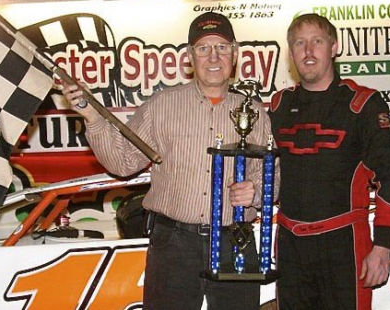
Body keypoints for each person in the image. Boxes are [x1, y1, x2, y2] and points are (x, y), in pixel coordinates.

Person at [62, 12, 272, 310]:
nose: (213, 57)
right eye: (203, 48)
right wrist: (92, 116)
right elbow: (122, 163)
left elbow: (271, 178)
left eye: (222, 47)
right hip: (174, 244)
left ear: (235, 54)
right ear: (189, 57)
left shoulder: (254, 112)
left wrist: (257, 191)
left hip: (234, 244)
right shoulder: (161, 106)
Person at [268, 13, 390, 310]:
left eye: (316, 41)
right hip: (291, 249)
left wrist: (382, 245)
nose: (308, 51)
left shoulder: (364, 105)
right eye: (299, 43)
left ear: (334, 47)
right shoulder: (279, 106)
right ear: (291, 53)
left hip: (344, 248)